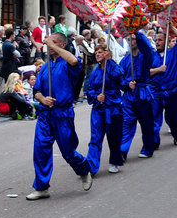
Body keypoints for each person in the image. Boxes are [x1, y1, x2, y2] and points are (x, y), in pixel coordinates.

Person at [26, 33, 93, 200]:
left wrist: (52, 44)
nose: (50, 45)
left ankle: (84, 170)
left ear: (62, 45)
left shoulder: (69, 64)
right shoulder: (46, 67)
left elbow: (74, 61)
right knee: (40, 150)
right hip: (45, 114)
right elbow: (37, 91)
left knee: (68, 152)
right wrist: (43, 99)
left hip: (63, 114)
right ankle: (42, 187)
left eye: (55, 43)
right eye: (49, 43)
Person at [84, 43, 125, 174]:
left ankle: (115, 161)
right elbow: (89, 89)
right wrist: (96, 97)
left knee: (114, 137)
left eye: (100, 52)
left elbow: (119, 78)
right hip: (98, 109)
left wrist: (109, 61)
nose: (97, 54)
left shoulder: (114, 67)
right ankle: (91, 166)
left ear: (107, 53)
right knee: (95, 137)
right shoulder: (95, 70)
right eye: (96, 52)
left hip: (113, 108)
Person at [119, 31, 156, 161]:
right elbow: (119, 79)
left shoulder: (145, 57)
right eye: (128, 39)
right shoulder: (124, 60)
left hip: (143, 94)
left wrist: (136, 31)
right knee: (126, 123)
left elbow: (147, 48)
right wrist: (127, 85)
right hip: (129, 96)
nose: (130, 41)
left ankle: (148, 148)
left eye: (133, 39)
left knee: (146, 123)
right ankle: (122, 151)